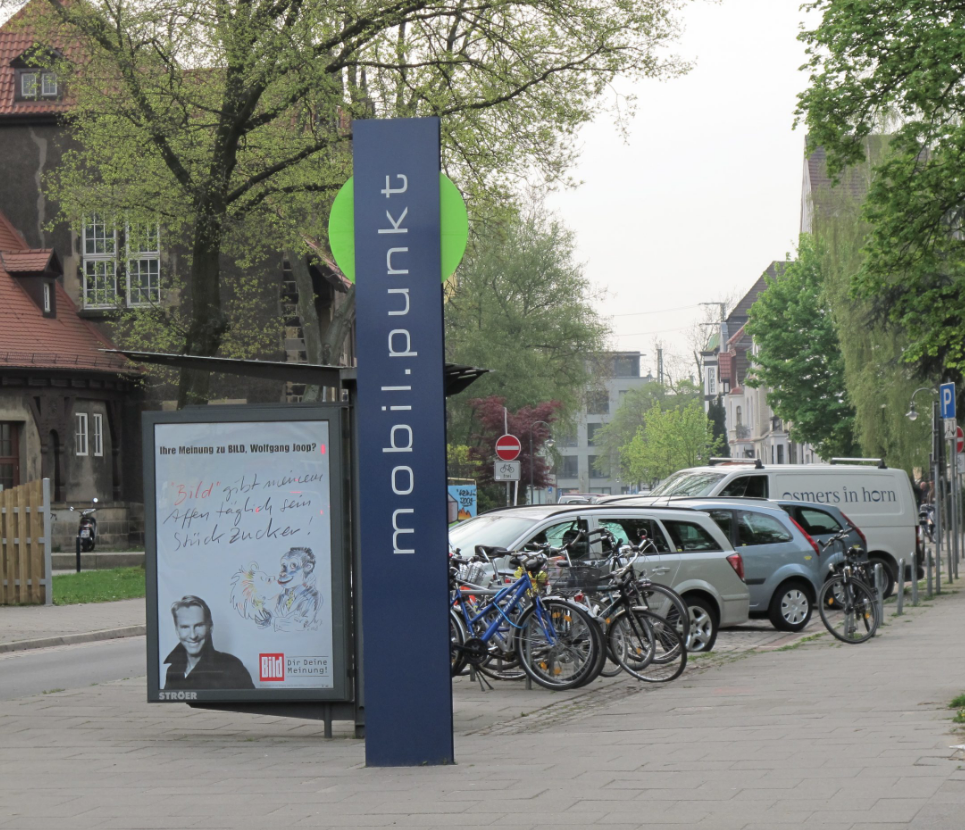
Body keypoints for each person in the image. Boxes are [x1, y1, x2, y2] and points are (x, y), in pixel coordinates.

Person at [164, 595, 254, 690]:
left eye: (199, 625)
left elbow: (251, 703)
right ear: (177, 631)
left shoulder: (231, 667)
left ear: (210, 627)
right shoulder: (172, 671)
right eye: (185, 627)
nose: (193, 635)